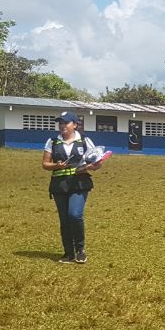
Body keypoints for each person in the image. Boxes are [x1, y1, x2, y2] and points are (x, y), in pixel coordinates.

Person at [41, 111, 103, 264]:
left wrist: (90, 166)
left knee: (74, 215)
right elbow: (45, 164)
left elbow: (98, 162)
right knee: (64, 220)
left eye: (66, 123)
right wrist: (56, 165)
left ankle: (80, 250)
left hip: (79, 183)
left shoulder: (85, 140)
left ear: (75, 125)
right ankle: (68, 253)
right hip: (59, 185)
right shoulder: (52, 141)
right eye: (60, 123)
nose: (62, 126)